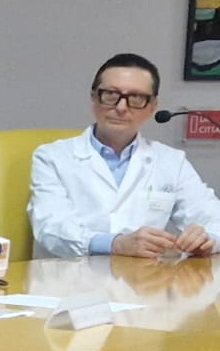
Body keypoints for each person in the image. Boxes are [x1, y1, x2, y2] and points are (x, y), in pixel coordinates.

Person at [28, 52, 220, 259]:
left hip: (144, 277)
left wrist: (207, 240)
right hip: (70, 275)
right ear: (94, 98)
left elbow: (214, 220)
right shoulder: (52, 157)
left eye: (136, 98)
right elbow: (50, 228)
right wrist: (115, 244)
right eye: (111, 94)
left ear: (152, 107)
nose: (121, 107)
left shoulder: (172, 162)